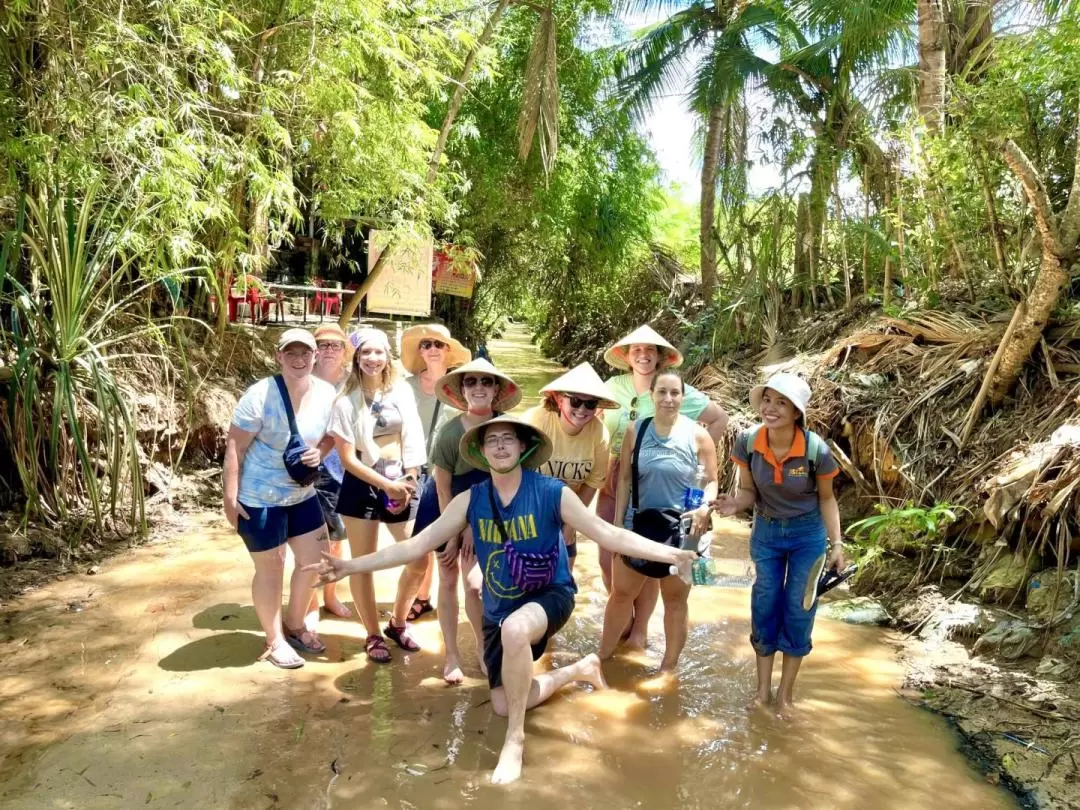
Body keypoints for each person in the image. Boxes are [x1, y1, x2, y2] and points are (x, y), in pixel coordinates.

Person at [304, 416, 699, 785]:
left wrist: (673, 554)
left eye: (507, 438)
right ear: (481, 452)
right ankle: (580, 669)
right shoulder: (469, 500)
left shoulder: (552, 493)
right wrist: (350, 566)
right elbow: (416, 545)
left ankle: (515, 742)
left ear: (523, 447)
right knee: (506, 703)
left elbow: (608, 534)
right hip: (500, 608)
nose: (499, 445)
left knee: (515, 631)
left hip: (549, 594)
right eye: (491, 440)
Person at [711, 372, 844, 719]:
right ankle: (762, 693)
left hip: (808, 536)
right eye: (767, 400)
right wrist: (733, 505)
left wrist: (837, 545)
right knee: (765, 602)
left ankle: (785, 696)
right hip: (767, 533)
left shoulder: (817, 451)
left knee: (800, 609)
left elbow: (827, 500)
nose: (770, 408)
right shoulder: (748, 442)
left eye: (780, 402)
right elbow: (748, 492)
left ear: (797, 411)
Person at [597, 325, 729, 648]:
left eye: (650, 350)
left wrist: (688, 464)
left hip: (670, 497)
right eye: (636, 349)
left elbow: (718, 423)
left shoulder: (685, 404)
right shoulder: (613, 387)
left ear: (660, 357)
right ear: (627, 356)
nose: (643, 355)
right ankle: (620, 631)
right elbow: (591, 420)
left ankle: (639, 632)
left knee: (659, 570)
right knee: (611, 564)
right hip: (615, 478)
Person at [223, 328, 337, 669]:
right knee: (271, 568)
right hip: (259, 498)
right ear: (279, 356)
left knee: (318, 562)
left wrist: (320, 452)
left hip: (302, 494)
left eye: (306, 353)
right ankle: (274, 641)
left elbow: (332, 436)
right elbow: (235, 447)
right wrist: (230, 497)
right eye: (291, 353)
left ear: (315, 356)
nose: (299, 359)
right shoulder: (260, 395)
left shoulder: (327, 393)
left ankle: (295, 623)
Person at [413, 358, 522, 683]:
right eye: (471, 382)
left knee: (476, 585)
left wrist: (476, 526)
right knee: (448, 579)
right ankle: (451, 655)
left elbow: (515, 480)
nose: (478, 388)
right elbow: (443, 488)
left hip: (490, 511)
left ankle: (482, 647)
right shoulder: (449, 434)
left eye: (486, 382)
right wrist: (455, 533)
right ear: (461, 390)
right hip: (448, 508)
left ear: (496, 390)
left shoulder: (509, 429)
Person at [327, 327, 424, 663]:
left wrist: (410, 478)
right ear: (356, 357)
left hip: (403, 480)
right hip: (362, 483)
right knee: (361, 564)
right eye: (365, 352)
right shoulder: (343, 400)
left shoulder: (402, 391)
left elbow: (413, 437)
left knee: (419, 559)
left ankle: (398, 622)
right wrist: (385, 486)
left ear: (387, 355)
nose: (372, 359)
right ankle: (371, 634)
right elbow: (347, 459)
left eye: (378, 352)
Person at [400, 323, 471, 621]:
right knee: (419, 540)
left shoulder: (462, 388)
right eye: (426, 345)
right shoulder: (405, 386)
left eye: (437, 345)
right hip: (413, 471)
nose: (431, 349)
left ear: (448, 350)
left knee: (446, 541)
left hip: (449, 473)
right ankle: (421, 596)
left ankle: (443, 602)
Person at [522, 362, 616, 570]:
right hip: (527, 508)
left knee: (561, 584)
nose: (582, 409)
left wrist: (571, 523)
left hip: (567, 511)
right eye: (575, 401)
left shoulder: (599, 434)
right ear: (559, 398)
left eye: (590, 404)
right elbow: (514, 472)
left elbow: (591, 483)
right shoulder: (535, 421)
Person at [308, 323, 352, 620]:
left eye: (335, 345)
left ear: (345, 351)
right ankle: (309, 603)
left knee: (337, 539)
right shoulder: (300, 379)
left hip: (342, 469)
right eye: (323, 345)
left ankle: (330, 596)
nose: (329, 351)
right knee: (307, 539)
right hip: (305, 468)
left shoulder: (353, 382)